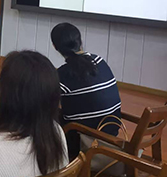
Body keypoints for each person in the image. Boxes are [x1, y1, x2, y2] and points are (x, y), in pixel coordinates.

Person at [51, 23, 122, 156]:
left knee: (43, 115)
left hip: (86, 140)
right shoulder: (99, 61)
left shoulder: (63, 74)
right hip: (112, 133)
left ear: (55, 47)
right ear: (80, 41)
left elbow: (42, 100)